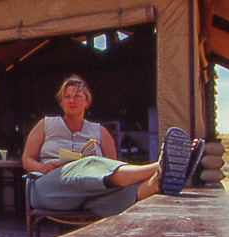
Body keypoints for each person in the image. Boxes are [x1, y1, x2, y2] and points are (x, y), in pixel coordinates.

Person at [22, 75, 202, 217]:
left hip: (87, 194)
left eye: (77, 96)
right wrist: (43, 167)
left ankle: (158, 181)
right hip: (49, 189)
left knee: (119, 192)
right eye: (67, 97)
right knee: (90, 163)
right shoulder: (45, 125)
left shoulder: (100, 132)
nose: (71, 100)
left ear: (87, 101)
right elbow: (26, 159)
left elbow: (111, 170)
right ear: (61, 103)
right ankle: (162, 165)